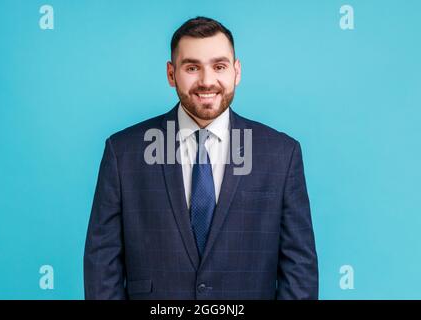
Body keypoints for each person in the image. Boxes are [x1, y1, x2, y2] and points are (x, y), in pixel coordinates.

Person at [84, 16, 318, 300]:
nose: (207, 81)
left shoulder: (282, 154)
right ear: (172, 74)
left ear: (237, 71)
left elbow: (299, 270)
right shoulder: (123, 152)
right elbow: (101, 266)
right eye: (192, 67)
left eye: (219, 66)